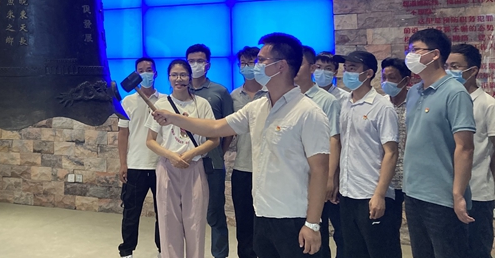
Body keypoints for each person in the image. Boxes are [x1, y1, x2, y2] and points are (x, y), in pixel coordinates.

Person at [153, 33, 330, 258]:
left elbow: (320, 170)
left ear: (281, 66)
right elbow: (215, 127)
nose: (256, 66)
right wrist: (173, 117)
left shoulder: (308, 112)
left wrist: (312, 224)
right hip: (263, 213)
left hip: (294, 216)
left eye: (262, 60)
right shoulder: (257, 108)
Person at [403, 28, 475, 258]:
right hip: (414, 192)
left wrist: (458, 194)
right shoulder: (414, 92)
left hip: (442, 197)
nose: (410, 55)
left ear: (434, 54)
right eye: (409, 50)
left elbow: (465, 147)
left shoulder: (455, 93)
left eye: (416, 50)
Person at [145, 59, 220, 258]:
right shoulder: (161, 104)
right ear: (168, 78)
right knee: (168, 223)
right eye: (174, 75)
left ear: (190, 77)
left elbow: (214, 139)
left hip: (194, 167)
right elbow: (150, 141)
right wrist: (170, 155)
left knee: (195, 223)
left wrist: (192, 153)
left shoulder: (201, 104)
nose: (179, 79)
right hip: (167, 168)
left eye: (183, 74)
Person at [337, 51, 401, 258]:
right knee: (353, 251)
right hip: (347, 193)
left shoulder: (382, 106)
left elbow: (391, 153)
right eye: (345, 68)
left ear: (368, 73)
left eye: (352, 68)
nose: (347, 72)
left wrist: (379, 194)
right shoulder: (345, 103)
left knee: (380, 251)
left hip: (371, 194)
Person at [447, 44, 495, 258]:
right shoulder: (447, 99)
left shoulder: (487, 104)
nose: (449, 71)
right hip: (446, 191)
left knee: (477, 250)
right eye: (447, 66)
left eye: (455, 66)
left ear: (473, 70)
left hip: (477, 192)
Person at [294, 46, 342, 258]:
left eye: (299, 63)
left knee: (317, 231)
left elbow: (334, 139)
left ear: (311, 68)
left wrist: (330, 177)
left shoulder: (327, 100)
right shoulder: (287, 97)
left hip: (317, 174)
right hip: (295, 176)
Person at [186, 44, 233, 258]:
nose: (195, 65)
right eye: (191, 61)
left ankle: (219, 254)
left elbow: (229, 128)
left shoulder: (219, 91)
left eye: (200, 61)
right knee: (188, 211)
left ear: (208, 65)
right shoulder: (179, 92)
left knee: (215, 211)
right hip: (187, 160)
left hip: (212, 161)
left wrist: (219, 152)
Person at [118, 57, 164, 258]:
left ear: (156, 73)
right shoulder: (127, 102)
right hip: (136, 164)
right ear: (136, 74)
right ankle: (126, 251)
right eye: (141, 70)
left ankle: (163, 249)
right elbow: (123, 134)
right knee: (131, 211)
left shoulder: (165, 101)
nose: (146, 73)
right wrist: (123, 163)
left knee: (163, 212)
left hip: (161, 165)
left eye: (149, 69)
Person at [230, 46, 266, 258]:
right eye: (243, 63)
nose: (247, 67)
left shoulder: (271, 94)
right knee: (244, 224)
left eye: (252, 63)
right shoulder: (234, 96)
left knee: (267, 223)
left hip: (268, 169)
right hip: (243, 167)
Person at [380, 57, 411, 227]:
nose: (386, 82)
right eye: (384, 77)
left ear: (406, 80)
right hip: (389, 178)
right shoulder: (381, 104)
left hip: (411, 176)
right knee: (389, 226)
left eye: (392, 78)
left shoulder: (415, 103)